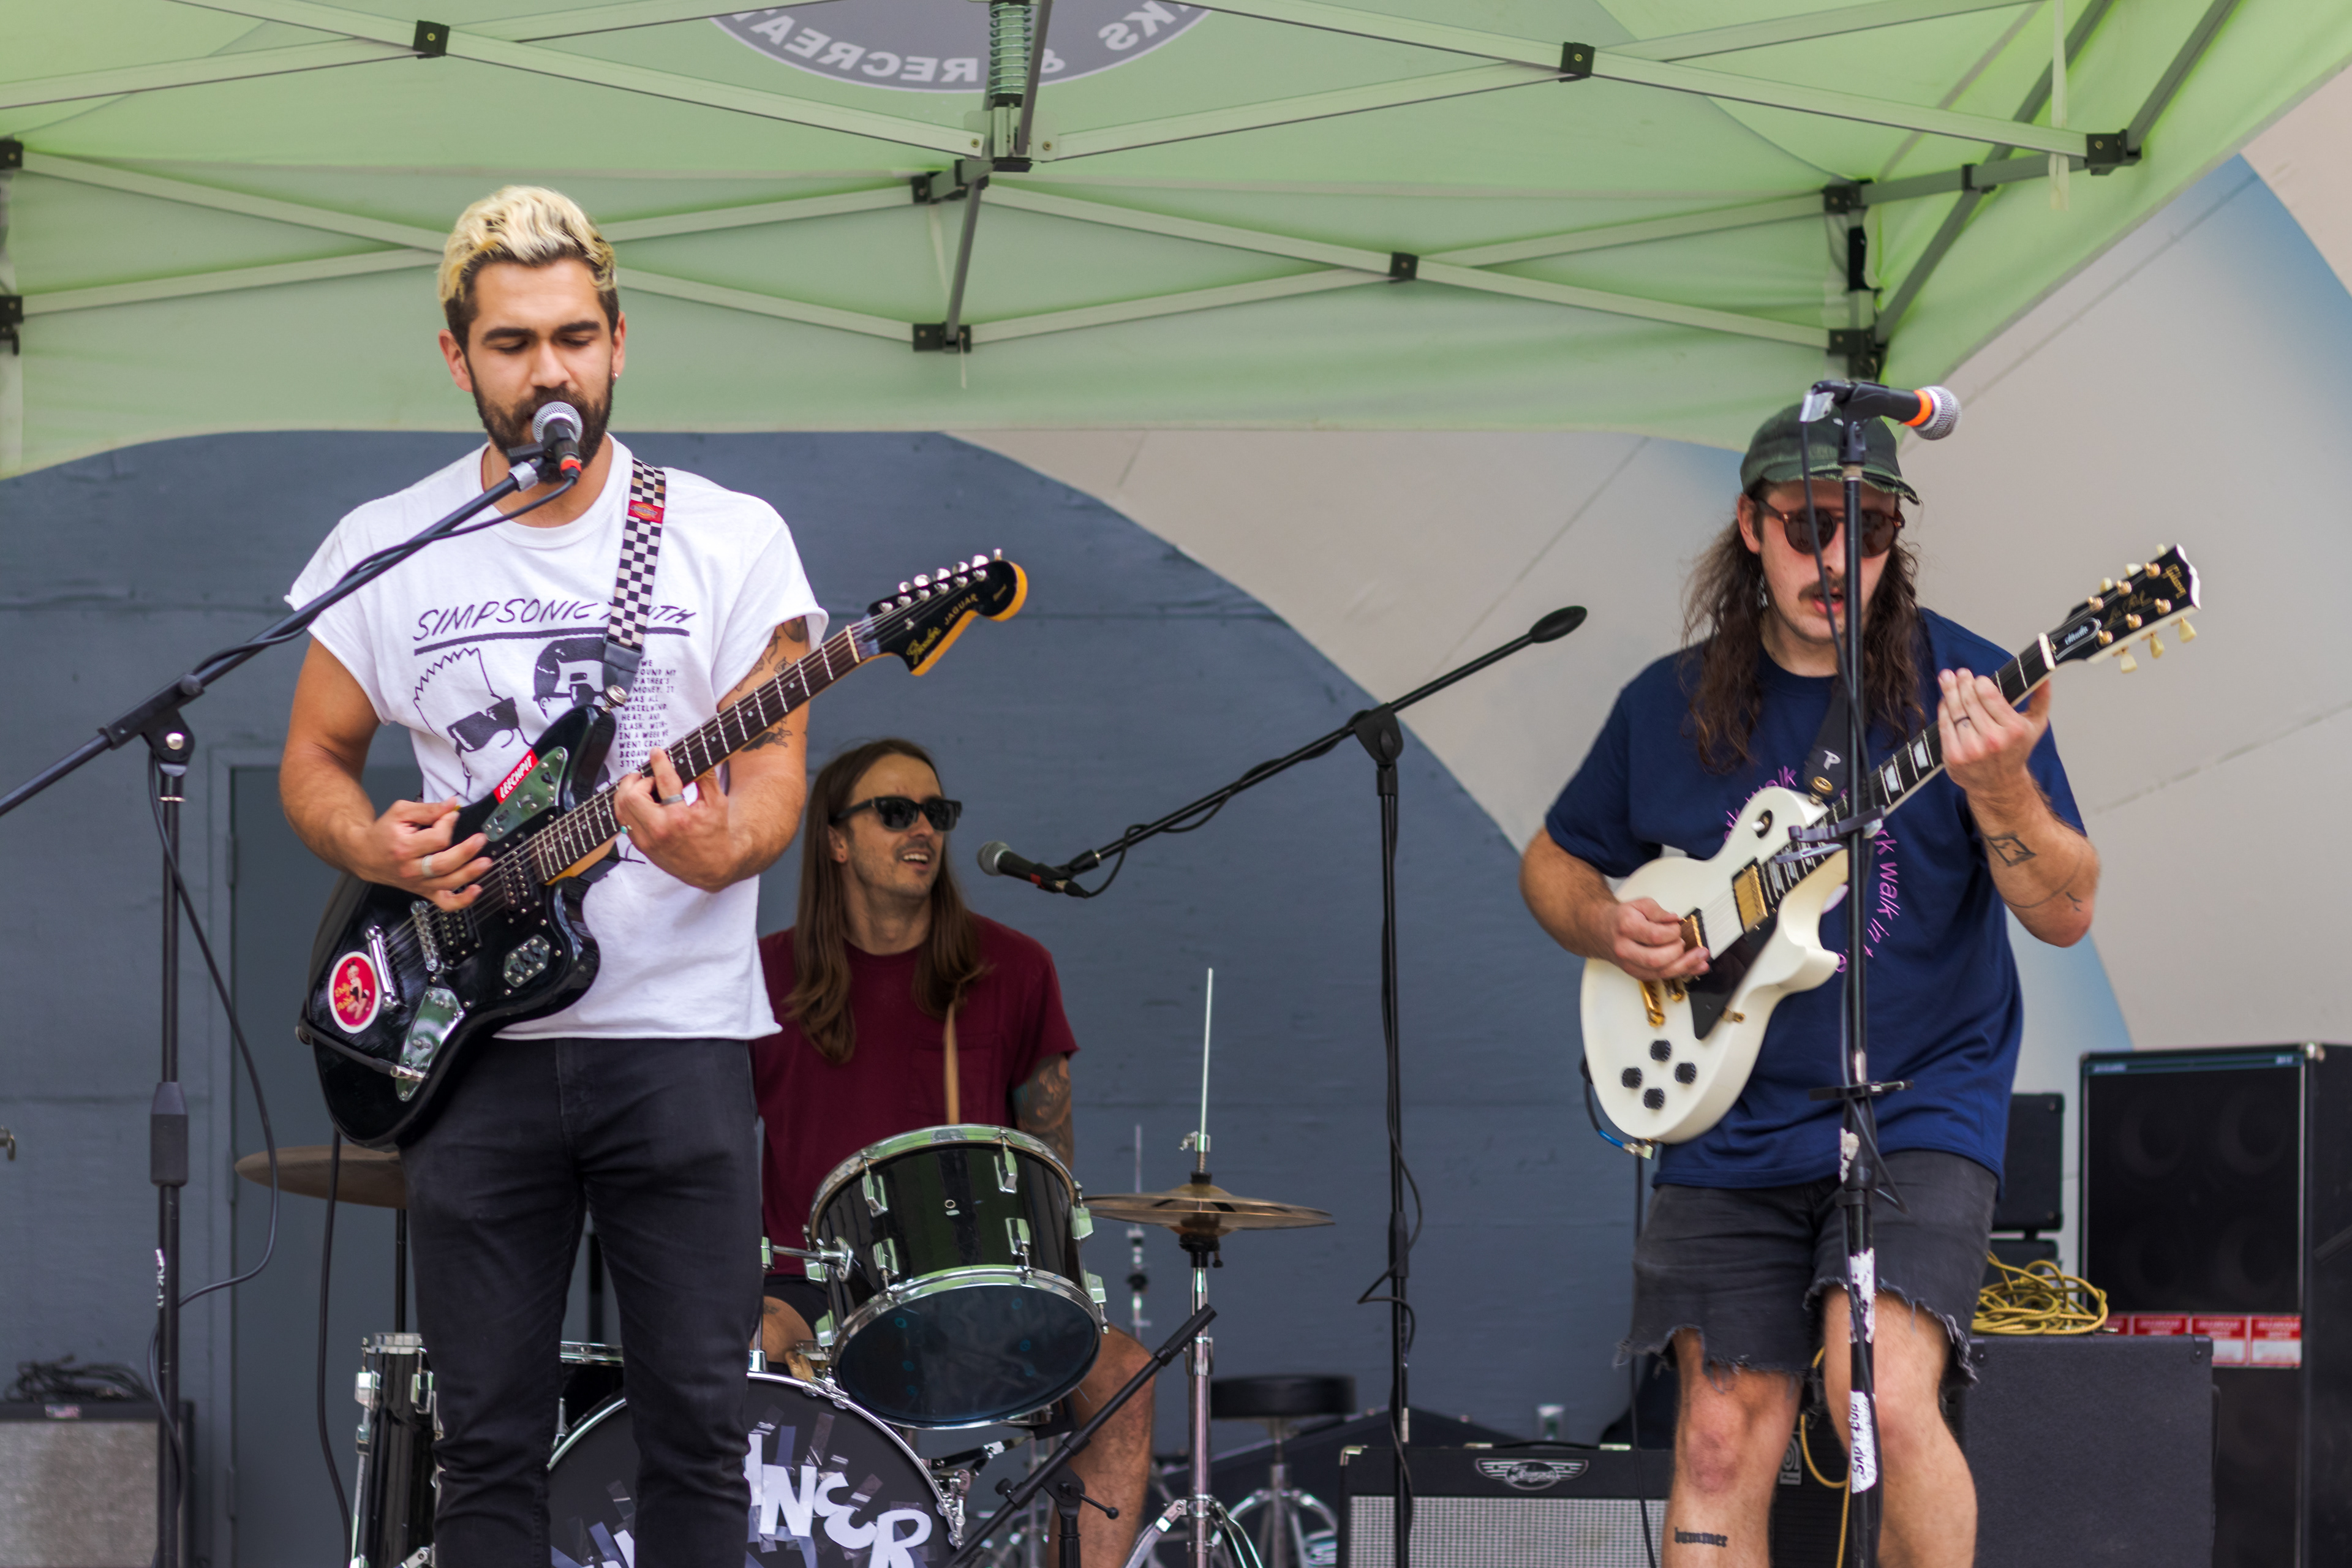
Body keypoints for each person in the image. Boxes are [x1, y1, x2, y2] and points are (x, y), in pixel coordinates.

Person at [281, 186, 823, 1564]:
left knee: (700, 1429)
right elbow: (317, 762)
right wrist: (369, 840)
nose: (551, 371)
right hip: (472, 1045)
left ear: (622, 342)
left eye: (576, 336)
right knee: (487, 1445)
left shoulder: (725, 534)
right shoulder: (388, 546)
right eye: (515, 344)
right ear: (458, 358)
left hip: (678, 1040)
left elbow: (773, 788)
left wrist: (722, 844)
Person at [1520, 406, 2098, 1568]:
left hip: (1916, 1107)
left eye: (1869, 529)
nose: (1837, 559)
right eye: (1805, 527)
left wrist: (1999, 795)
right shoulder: (1666, 705)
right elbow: (1552, 861)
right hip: (1723, 1110)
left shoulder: (1968, 688)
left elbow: (2068, 911)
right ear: (1750, 525)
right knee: (1721, 1441)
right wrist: (1607, 925)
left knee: (1874, 1399)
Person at [752, 737, 1155, 1566]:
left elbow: (1051, 1166)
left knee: (1124, 1371)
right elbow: (703, 1158)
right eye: (895, 813)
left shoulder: (1013, 967)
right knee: (733, 1361)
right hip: (813, 1285)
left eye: (938, 814)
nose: (923, 830)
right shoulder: (765, 976)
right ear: (835, 838)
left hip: (976, 1284)